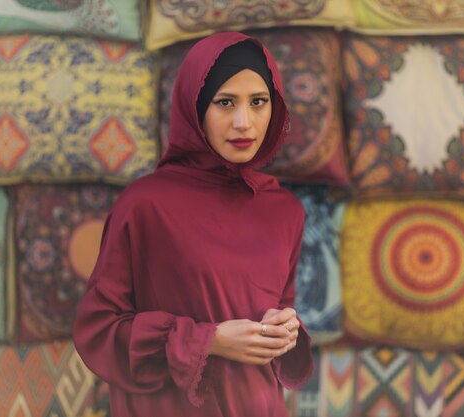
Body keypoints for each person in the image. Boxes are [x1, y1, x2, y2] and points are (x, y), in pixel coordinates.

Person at [73, 31, 313, 417]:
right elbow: (98, 330)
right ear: (195, 107)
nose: (243, 122)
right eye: (224, 102)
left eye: (258, 102)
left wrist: (285, 329)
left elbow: (277, 308)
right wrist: (209, 341)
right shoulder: (145, 205)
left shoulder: (284, 211)